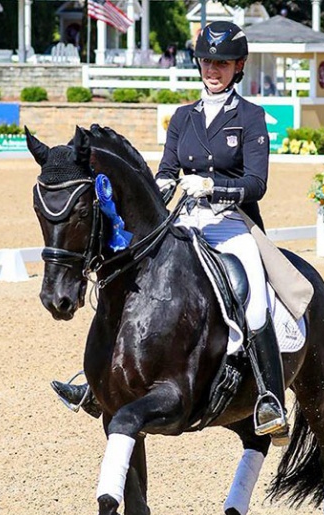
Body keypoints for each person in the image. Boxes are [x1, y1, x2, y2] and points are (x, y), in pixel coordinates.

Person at [52, 21, 289, 443]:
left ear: (238, 66)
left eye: (221, 63)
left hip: (232, 225)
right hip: (184, 220)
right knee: (127, 281)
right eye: (206, 61)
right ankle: (98, 383)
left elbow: (257, 184)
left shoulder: (250, 117)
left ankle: (270, 397)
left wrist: (214, 186)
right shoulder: (183, 117)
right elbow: (166, 171)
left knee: (252, 297)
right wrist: (160, 187)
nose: (212, 69)